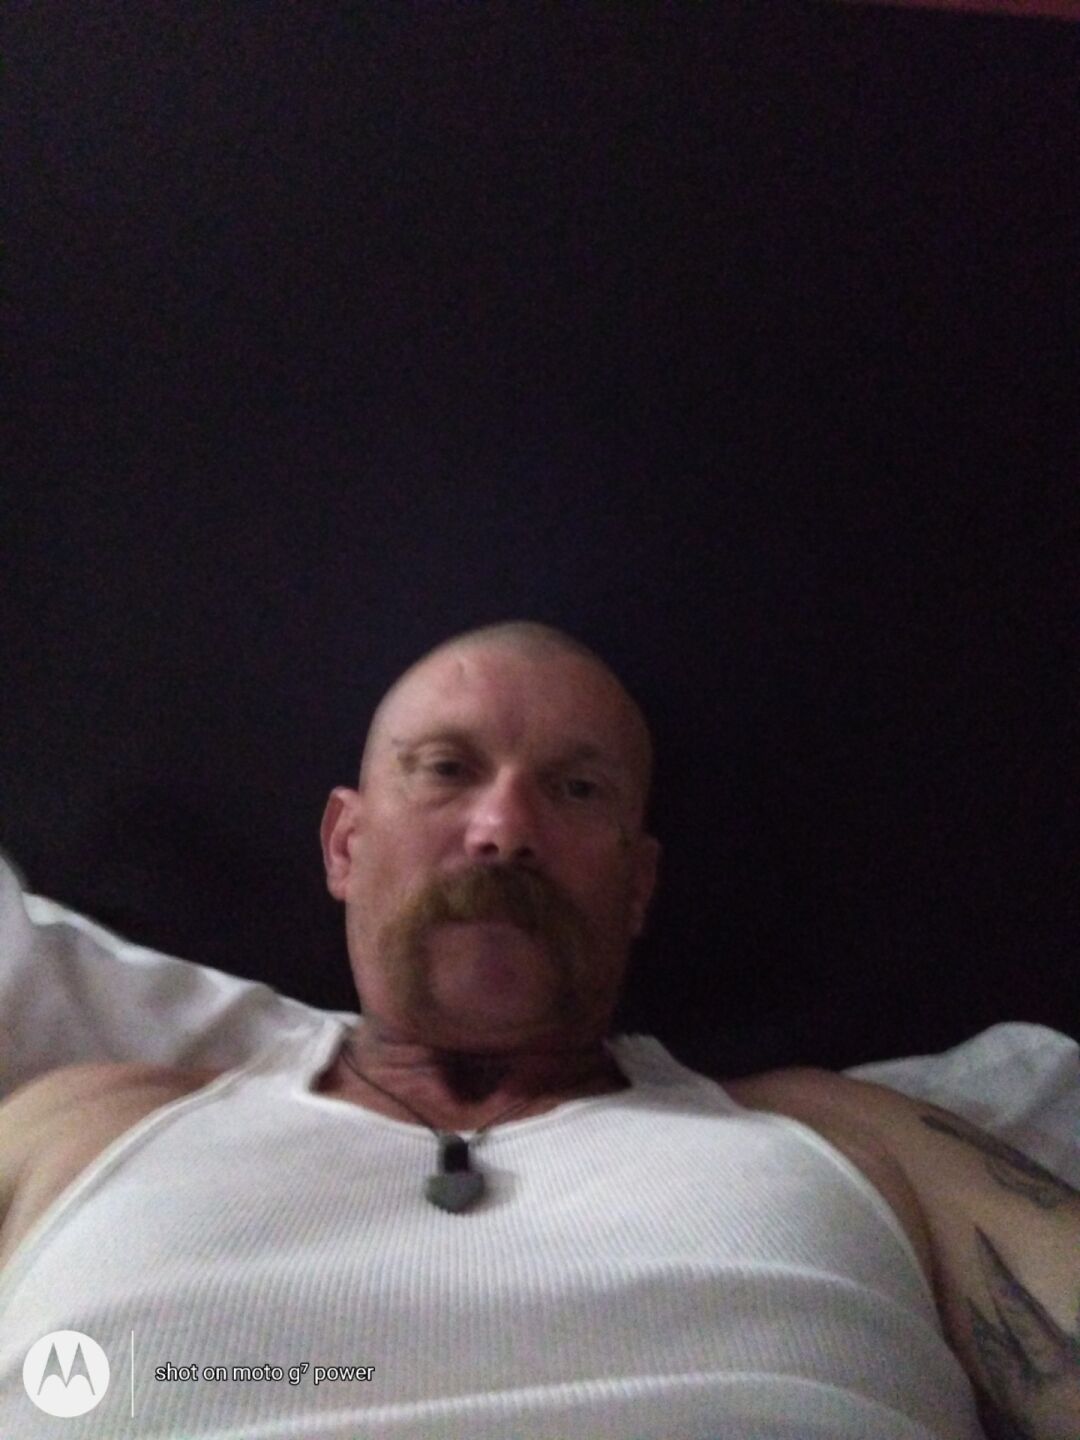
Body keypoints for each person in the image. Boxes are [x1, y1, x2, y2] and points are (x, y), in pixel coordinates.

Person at [0, 620, 1076, 1440]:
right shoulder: (84, 1133)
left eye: (575, 788)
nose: (505, 828)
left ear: (639, 885)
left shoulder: (857, 1139)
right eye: (447, 769)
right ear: (345, 846)